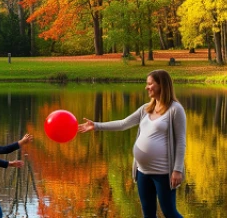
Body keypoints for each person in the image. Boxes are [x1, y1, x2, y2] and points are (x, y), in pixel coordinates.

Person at [78, 69, 186, 218]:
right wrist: (96, 125)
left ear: (162, 85)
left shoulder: (175, 110)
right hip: (143, 172)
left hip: (164, 173)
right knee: (148, 213)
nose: (146, 87)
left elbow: (181, 141)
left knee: (169, 212)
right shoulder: (145, 109)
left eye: (150, 84)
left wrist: (177, 170)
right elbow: (123, 124)